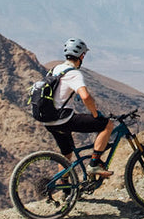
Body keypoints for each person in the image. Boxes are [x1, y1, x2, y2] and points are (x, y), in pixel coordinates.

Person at [43, 38, 114, 177]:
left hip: (49, 120)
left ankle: (65, 188)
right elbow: (85, 97)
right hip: (63, 119)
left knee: (66, 154)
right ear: (81, 56)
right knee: (107, 125)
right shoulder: (73, 73)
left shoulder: (55, 69)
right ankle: (94, 164)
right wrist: (95, 114)